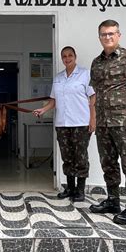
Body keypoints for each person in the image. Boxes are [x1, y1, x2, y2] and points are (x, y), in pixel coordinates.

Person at [89, 20, 126, 225]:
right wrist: (95, 118)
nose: (108, 37)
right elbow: (96, 92)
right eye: (104, 34)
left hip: (123, 120)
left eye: (111, 33)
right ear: (99, 37)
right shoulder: (96, 62)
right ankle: (113, 200)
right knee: (108, 162)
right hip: (104, 121)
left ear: (119, 35)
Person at [33, 46, 96, 202]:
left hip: (81, 123)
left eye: (70, 55)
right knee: (67, 157)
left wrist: (93, 119)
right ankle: (70, 188)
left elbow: (93, 97)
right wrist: (43, 109)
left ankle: (80, 191)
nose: (67, 58)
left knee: (80, 157)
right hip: (62, 123)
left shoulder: (85, 74)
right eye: (64, 56)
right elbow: (54, 100)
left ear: (75, 56)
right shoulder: (58, 78)